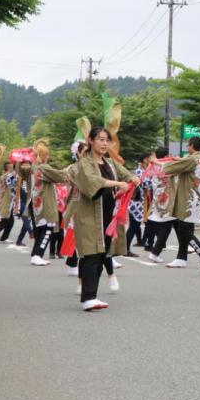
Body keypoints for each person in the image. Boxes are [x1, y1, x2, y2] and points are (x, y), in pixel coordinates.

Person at [69, 127, 134, 312]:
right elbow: (93, 182)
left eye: (107, 140)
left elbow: (125, 173)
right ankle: (88, 298)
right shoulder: (84, 163)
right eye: (100, 139)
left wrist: (133, 178)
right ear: (91, 141)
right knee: (91, 254)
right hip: (89, 215)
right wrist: (118, 183)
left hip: (107, 215)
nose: (105, 143)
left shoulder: (110, 163)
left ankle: (91, 295)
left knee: (100, 255)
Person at [151, 138, 200, 267]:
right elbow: (184, 163)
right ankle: (182, 258)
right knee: (185, 228)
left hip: (188, 198)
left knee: (184, 230)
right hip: (197, 198)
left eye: (188, 145)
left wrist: (157, 162)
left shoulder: (192, 159)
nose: (187, 148)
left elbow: (171, 168)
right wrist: (180, 160)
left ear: (192, 146)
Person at [30, 141, 70, 266]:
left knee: (40, 230)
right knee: (48, 230)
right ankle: (38, 255)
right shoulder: (44, 167)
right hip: (46, 202)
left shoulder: (34, 167)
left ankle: (35, 254)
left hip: (38, 202)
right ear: (44, 155)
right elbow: (60, 176)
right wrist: (68, 170)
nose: (48, 157)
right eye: (47, 155)